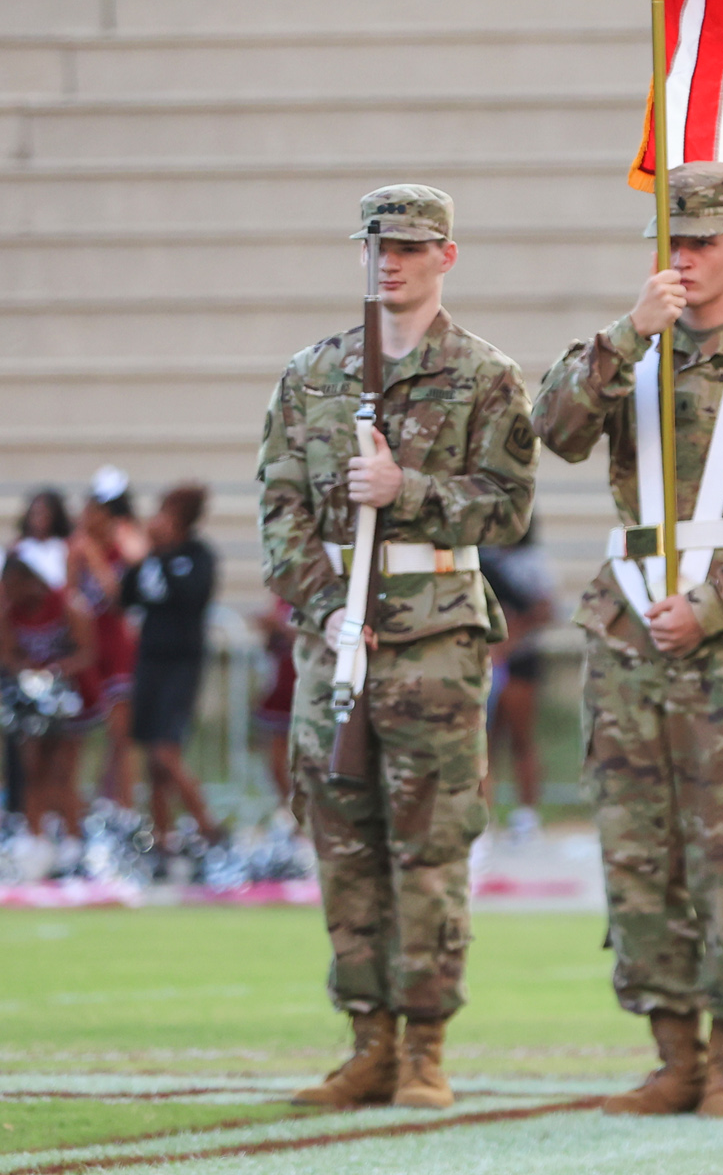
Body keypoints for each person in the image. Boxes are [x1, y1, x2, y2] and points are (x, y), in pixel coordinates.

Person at [533, 162, 723, 1120]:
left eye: (705, 242)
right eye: (673, 244)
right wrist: (629, 334)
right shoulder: (631, 349)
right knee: (637, 850)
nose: (687, 259)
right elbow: (554, 430)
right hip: (628, 626)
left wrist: (711, 608)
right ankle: (671, 1052)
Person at [259, 184, 535, 1112]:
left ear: (445, 257)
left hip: (435, 640)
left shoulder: (484, 374)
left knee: (430, 845)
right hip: (336, 637)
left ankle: (424, 1048)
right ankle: (367, 1041)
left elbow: (507, 508)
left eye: (412, 248)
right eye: (379, 247)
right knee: (342, 844)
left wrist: (404, 489)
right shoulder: (313, 375)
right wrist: (324, 605)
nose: (392, 263)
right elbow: (280, 509)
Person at [124, 485, 221, 853]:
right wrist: (140, 560)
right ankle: (162, 838)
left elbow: (192, 598)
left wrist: (162, 557)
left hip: (182, 662)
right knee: (151, 759)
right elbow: (126, 598)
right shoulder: (148, 556)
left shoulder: (198, 555)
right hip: (150, 659)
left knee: (166, 752)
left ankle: (210, 830)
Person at [0, 540, 99, 876]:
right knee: (33, 769)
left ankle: (73, 843)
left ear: (30, 582)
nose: (8, 593)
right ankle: (35, 841)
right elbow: (8, 654)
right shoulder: (9, 613)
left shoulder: (67, 605)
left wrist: (55, 673)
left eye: (12, 586)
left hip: (70, 697)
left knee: (63, 771)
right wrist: (29, 675)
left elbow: (87, 652)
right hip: (32, 701)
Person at [67, 469, 145, 807]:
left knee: (121, 734)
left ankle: (122, 804)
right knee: (76, 735)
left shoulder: (122, 543)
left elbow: (117, 597)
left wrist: (94, 555)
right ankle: (79, 807)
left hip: (117, 645)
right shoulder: (76, 547)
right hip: (87, 646)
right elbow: (69, 597)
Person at [480, 520, 555, 841]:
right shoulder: (481, 557)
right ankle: (484, 816)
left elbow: (544, 610)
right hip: (486, 661)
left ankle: (528, 814)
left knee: (521, 738)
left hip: (521, 659)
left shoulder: (531, 561)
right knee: (484, 743)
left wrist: (508, 642)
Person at [254, 599, 298, 808]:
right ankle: (288, 809)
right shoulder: (282, 598)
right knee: (276, 760)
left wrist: (280, 625)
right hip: (281, 688)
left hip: (305, 688)